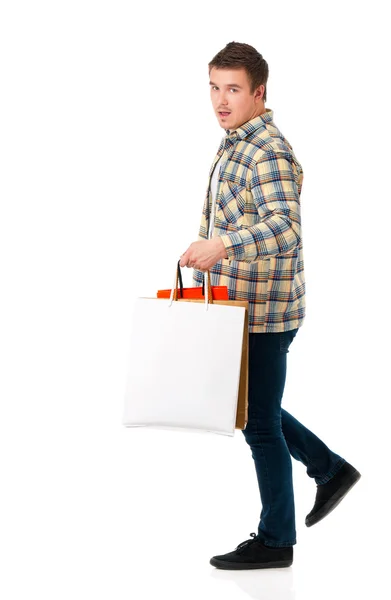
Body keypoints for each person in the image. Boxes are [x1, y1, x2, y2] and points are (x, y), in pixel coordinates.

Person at [179, 41, 361, 570]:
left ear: (259, 92)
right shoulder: (236, 141)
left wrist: (224, 246)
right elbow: (230, 214)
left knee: (257, 422)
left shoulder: (268, 150)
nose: (221, 100)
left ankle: (277, 540)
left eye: (233, 89)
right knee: (253, 410)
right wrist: (206, 252)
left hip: (266, 311)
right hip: (239, 305)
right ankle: (329, 469)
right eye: (214, 87)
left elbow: (285, 227)